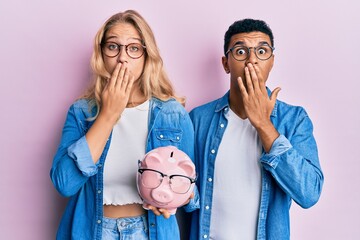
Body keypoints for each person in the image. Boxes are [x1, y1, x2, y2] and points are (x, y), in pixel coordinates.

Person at [50, 10, 198, 240]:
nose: (122, 57)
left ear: (147, 56)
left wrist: (174, 198)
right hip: (93, 231)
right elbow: (64, 183)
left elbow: (191, 187)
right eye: (112, 47)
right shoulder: (81, 112)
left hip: (150, 232)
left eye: (134, 48)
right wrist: (108, 115)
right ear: (101, 55)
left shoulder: (172, 114)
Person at [189, 18, 324, 239]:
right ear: (226, 63)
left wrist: (263, 124)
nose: (252, 60)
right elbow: (183, 191)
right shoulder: (199, 119)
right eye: (241, 52)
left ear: (272, 61)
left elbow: (309, 193)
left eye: (262, 51)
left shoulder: (294, 119)